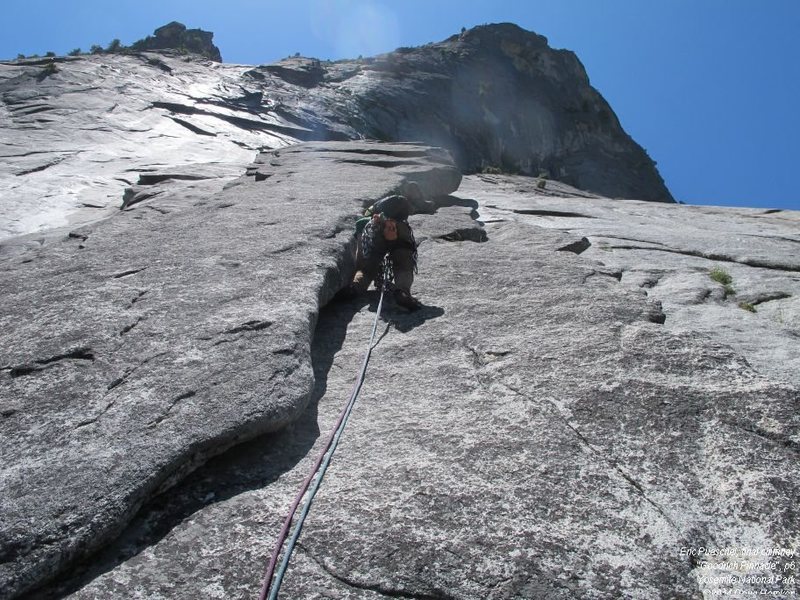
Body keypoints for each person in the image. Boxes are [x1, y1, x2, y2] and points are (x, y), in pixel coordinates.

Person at [345, 183, 431, 310]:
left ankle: (355, 287)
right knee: (403, 264)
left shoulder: (374, 209)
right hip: (399, 229)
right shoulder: (402, 209)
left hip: (370, 229)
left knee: (365, 269)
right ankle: (402, 291)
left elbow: (366, 217)